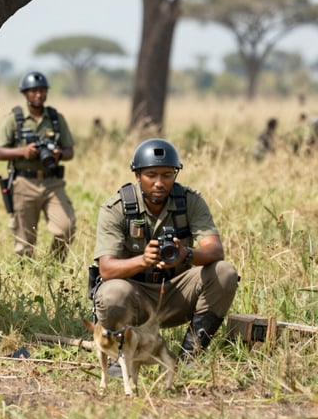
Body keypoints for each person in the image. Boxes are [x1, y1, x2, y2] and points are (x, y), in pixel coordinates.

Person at [91, 138, 238, 359]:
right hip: (133, 296)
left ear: (175, 175)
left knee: (225, 272)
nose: (159, 183)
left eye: (167, 175)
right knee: (113, 293)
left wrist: (185, 255)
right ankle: (118, 357)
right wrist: (143, 260)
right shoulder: (117, 208)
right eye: (151, 175)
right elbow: (106, 269)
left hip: (175, 293)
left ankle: (189, 356)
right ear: (138, 175)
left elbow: (215, 251)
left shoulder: (190, 202)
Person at [0, 71, 76, 260]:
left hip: (52, 182)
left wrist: (59, 154)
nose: (39, 95)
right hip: (24, 183)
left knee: (66, 227)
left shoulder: (56, 118)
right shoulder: (14, 119)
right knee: (24, 242)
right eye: (34, 91)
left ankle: (54, 265)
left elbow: (70, 151)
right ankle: (26, 275)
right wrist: (23, 151)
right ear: (25, 93)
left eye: (42, 91)